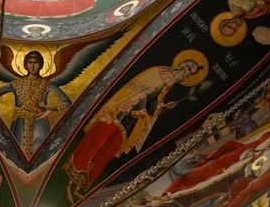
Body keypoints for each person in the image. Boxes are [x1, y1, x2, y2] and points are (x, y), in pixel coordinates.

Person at [67, 58, 203, 195]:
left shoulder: (169, 85)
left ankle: (82, 183)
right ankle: (74, 171)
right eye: (188, 69)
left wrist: (163, 106)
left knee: (110, 149)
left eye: (190, 74)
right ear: (181, 65)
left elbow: (152, 104)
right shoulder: (158, 71)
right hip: (121, 111)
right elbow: (139, 92)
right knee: (98, 140)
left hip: (131, 121)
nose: (186, 74)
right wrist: (144, 107)